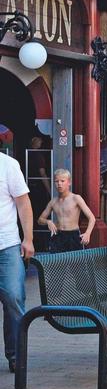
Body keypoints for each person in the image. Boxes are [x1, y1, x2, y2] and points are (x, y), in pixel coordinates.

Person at [0, 151, 33, 372]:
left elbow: (23, 204)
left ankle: (16, 356)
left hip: (7, 244)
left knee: (14, 297)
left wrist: (28, 238)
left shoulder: (8, 165)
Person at [37, 169, 96, 252]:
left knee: (75, 263)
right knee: (57, 263)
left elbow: (92, 218)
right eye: (56, 181)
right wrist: (48, 222)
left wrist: (88, 233)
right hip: (58, 235)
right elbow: (40, 220)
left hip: (73, 235)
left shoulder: (76, 198)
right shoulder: (53, 201)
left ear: (69, 182)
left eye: (62, 181)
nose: (59, 184)